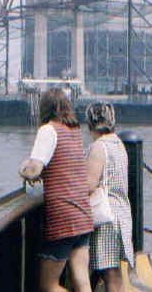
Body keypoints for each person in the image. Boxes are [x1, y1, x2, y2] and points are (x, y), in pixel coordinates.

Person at [19, 88, 93, 292]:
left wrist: (23, 168)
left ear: (44, 108)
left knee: (48, 285)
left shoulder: (48, 130)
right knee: (82, 280)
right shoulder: (74, 132)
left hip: (63, 217)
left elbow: (34, 170)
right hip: (83, 214)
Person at [85, 102, 134, 292]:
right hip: (121, 215)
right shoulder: (118, 144)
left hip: (106, 219)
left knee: (110, 277)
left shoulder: (99, 146)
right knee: (114, 276)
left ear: (90, 123)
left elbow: (89, 184)